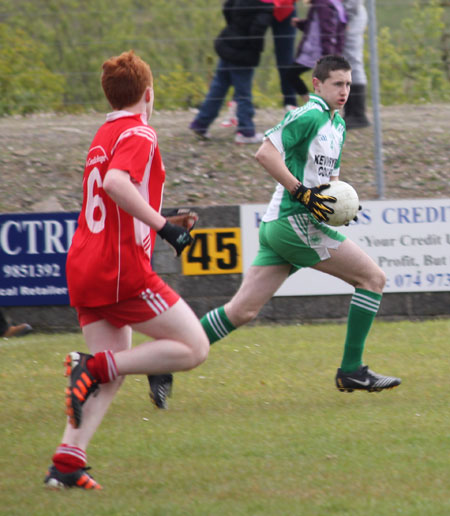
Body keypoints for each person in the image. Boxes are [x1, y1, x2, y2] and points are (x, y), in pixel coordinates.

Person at [149, 55, 401, 409]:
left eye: (347, 84)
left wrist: (340, 207)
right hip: (293, 223)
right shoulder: (308, 115)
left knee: (241, 312)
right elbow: (265, 154)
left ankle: (162, 361)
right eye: (337, 84)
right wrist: (302, 193)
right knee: (372, 278)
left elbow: (330, 183)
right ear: (317, 85)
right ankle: (351, 370)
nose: (344, 91)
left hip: (283, 226)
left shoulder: (337, 125)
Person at [44, 50, 209, 490]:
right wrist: (165, 229)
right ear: (148, 94)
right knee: (193, 347)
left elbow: (114, 196)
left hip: (85, 265)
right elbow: (117, 185)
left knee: (113, 369)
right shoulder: (141, 131)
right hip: (119, 271)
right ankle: (90, 367)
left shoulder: (104, 134)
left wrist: (162, 215)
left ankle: (66, 463)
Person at [189, 0, 273, 144]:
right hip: (243, 53)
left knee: (218, 87)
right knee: (243, 93)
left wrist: (234, 27)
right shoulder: (265, 6)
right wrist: (255, 48)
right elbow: (257, 30)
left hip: (228, 44)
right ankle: (246, 131)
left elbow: (227, 6)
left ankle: (201, 123)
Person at [287, 0, 347, 104]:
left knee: (292, 74)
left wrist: (327, 56)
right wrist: (300, 23)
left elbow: (327, 31)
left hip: (317, 52)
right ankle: (315, 105)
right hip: (315, 51)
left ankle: (312, 104)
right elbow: (314, 26)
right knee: (321, 83)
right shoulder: (331, 4)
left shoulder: (322, 5)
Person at [342, 0, 370, 128]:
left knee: (353, 60)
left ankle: (358, 115)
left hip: (351, 15)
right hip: (345, 14)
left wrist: (347, 15)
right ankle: (349, 113)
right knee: (345, 61)